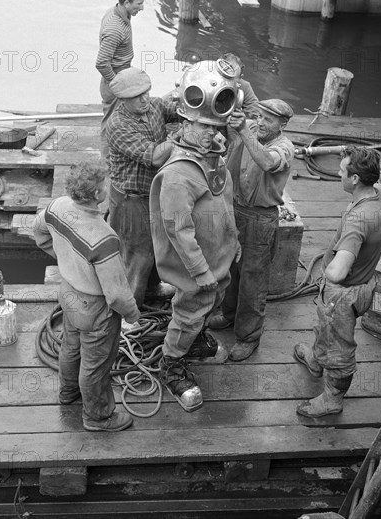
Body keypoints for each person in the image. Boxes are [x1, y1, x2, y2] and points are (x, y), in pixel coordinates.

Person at [33, 161, 140, 432]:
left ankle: (67, 394)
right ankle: (98, 417)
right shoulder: (104, 238)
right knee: (96, 366)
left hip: (68, 294)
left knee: (71, 347)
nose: (107, 187)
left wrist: (61, 256)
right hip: (95, 309)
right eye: (104, 185)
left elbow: (39, 231)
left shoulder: (57, 207)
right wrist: (132, 315)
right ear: (96, 195)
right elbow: (116, 294)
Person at [294, 146, 381, 417]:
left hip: (343, 294)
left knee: (339, 348)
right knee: (325, 330)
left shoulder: (357, 222)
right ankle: (317, 361)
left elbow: (338, 273)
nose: (338, 174)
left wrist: (327, 272)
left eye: (342, 171)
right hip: (365, 281)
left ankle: (332, 398)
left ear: (354, 179)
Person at [149, 116, 240, 412]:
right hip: (198, 266)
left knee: (213, 301)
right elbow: (178, 228)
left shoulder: (212, 158)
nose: (210, 133)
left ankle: (196, 340)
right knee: (189, 312)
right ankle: (171, 365)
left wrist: (233, 242)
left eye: (214, 127)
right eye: (203, 126)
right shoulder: (178, 175)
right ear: (185, 124)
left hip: (219, 259)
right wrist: (200, 271)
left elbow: (225, 204)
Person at [208, 99, 295, 362]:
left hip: (260, 218)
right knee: (230, 267)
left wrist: (244, 131)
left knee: (253, 279)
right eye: (260, 116)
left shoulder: (284, 147)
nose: (261, 123)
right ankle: (230, 313)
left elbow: (268, 163)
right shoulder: (249, 131)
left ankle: (249, 336)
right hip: (234, 210)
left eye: (269, 120)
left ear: (283, 124)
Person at [106, 67, 178, 308]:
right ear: (123, 100)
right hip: (130, 200)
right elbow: (155, 157)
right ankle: (130, 313)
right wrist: (179, 138)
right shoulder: (118, 125)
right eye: (138, 96)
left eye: (146, 92)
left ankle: (152, 287)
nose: (145, 98)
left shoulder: (154, 106)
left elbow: (180, 110)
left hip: (153, 193)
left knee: (157, 244)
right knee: (137, 255)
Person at [96, 0, 146, 161]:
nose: (141, 7)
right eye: (138, 4)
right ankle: (107, 162)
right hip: (115, 79)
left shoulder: (116, 11)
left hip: (122, 74)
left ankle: (117, 155)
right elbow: (101, 63)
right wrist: (116, 84)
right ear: (126, 3)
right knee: (110, 123)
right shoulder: (115, 28)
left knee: (121, 119)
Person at [218, 53, 260, 119]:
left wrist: (240, 118)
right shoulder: (203, 77)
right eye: (223, 75)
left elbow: (255, 114)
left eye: (230, 78)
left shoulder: (244, 86)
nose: (224, 82)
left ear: (240, 78)